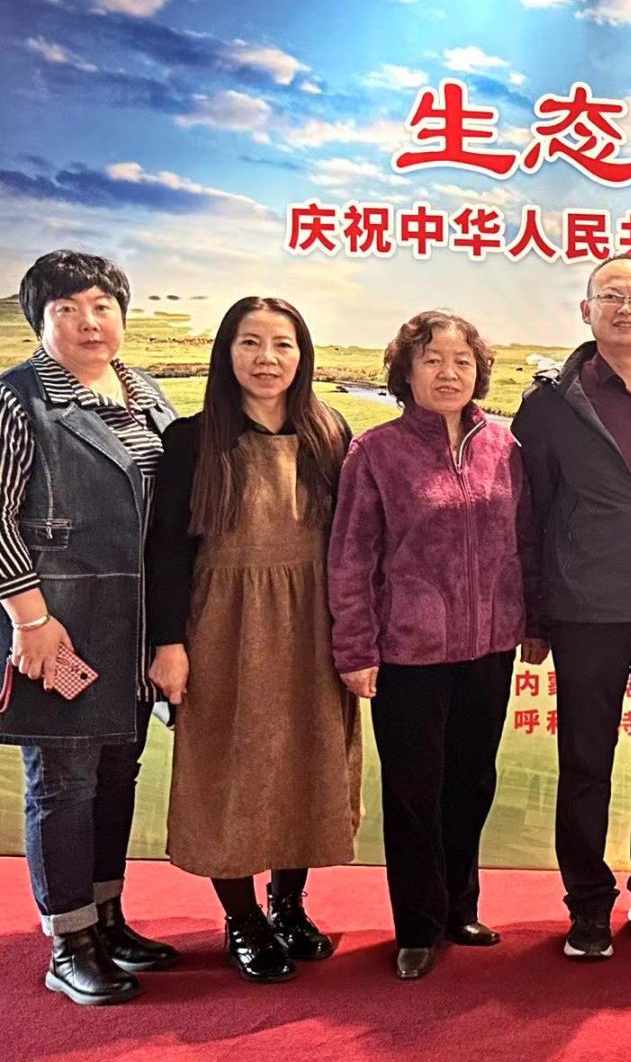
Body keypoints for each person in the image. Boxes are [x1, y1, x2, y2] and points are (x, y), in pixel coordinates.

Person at [146, 297, 362, 984]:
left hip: (313, 624)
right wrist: (168, 644)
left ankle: (287, 904)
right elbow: (166, 552)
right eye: (250, 342)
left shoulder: (330, 431)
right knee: (229, 766)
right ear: (226, 352)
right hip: (223, 624)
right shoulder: (192, 439)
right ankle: (242, 918)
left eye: (283, 344)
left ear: (303, 355)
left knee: (305, 759)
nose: (267, 358)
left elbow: (355, 544)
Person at [328, 311, 540, 981]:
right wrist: (355, 647)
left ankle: (458, 908)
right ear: (406, 371)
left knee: (472, 782)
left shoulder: (505, 445)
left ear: (480, 372)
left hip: (489, 647)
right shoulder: (376, 452)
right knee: (414, 792)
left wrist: (533, 621)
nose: (449, 373)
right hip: (408, 652)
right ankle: (417, 926)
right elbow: (351, 558)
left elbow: (526, 542)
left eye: (462, 361)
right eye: (432, 360)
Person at [513, 256, 631, 961]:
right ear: (586, 310)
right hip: (585, 612)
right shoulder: (547, 407)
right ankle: (588, 903)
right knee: (584, 763)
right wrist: (535, 615)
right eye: (612, 296)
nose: (627, 308)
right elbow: (530, 517)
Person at [0, 251, 180, 1005]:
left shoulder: (144, 392)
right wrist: (32, 618)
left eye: (102, 305)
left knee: (116, 770)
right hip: (59, 626)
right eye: (67, 309)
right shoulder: (17, 399)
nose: (89, 321)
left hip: (131, 626)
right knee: (63, 780)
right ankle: (68, 941)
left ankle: (107, 919)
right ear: (39, 320)